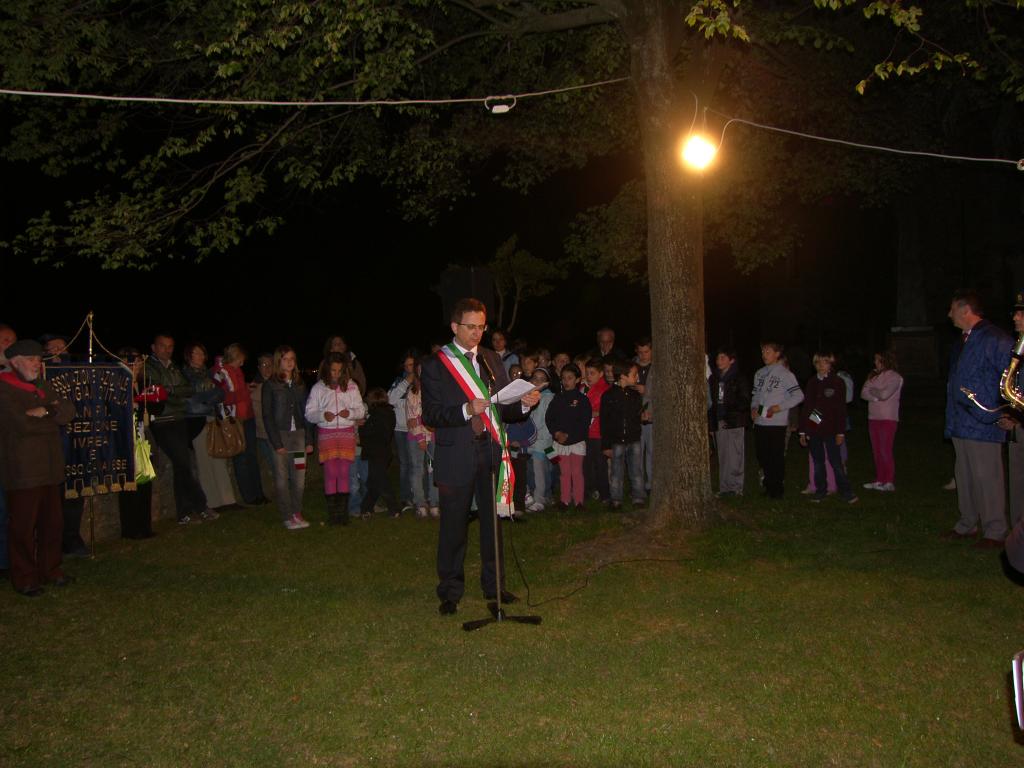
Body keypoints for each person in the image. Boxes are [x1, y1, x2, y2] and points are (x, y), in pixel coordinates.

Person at [421, 298, 540, 616]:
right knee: (453, 526)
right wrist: (465, 409)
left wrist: (524, 403)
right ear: (454, 326)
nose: (477, 333)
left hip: (489, 449)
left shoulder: (490, 358)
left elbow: (503, 406)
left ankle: (494, 586)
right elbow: (430, 414)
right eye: (470, 327)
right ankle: (450, 591)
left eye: (481, 327)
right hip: (456, 453)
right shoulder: (435, 364)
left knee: (492, 523)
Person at [0, 339, 76, 596]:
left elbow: (68, 412)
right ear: (15, 362)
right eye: (31, 359)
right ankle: (24, 577)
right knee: (23, 527)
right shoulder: (4, 389)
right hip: (24, 470)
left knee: (52, 524)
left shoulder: (43, 386)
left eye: (38, 359)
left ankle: (51, 569)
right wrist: (51, 412)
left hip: (50, 467)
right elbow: (20, 424)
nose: (37, 364)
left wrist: (43, 411)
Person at [943, 290, 1013, 548]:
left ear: (966, 310)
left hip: (983, 422)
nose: (949, 314)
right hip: (961, 421)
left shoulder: (994, 339)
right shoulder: (963, 340)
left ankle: (995, 530)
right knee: (965, 476)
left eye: (952, 309)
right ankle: (967, 523)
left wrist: (1009, 411)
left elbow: (1013, 375)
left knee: (987, 477)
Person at [145, 334, 216, 524]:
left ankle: (185, 512)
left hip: (178, 419)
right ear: (154, 347)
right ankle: (200, 506)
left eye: (170, 346)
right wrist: (174, 392)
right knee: (184, 464)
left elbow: (188, 389)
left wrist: (170, 391)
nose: (167, 350)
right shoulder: (149, 367)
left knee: (181, 465)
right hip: (162, 421)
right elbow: (158, 394)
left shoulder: (174, 367)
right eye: (162, 346)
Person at [305, 353, 365, 525]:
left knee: (344, 472)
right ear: (327, 370)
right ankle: (333, 514)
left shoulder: (351, 386)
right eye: (333, 370)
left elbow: (361, 410)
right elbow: (309, 413)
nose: (336, 374)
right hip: (327, 433)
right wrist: (323, 415)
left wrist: (350, 413)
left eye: (339, 370)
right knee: (331, 472)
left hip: (346, 433)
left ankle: (343, 514)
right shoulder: (318, 388)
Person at [262, 345, 314, 530]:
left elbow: (306, 413)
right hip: (281, 436)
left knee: (299, 477)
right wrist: (276, 443)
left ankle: (296, 512)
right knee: (282, 478)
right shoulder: (271, 385)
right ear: (279, 361)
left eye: (292, 358)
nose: (289, 362)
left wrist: (309, 439)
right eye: (285, 359)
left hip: (298, 437)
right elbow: (267, 415)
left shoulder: (299, 384)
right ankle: (286, 515)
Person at [181, 343, 236, 511]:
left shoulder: (208, 374)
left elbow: (221, 393)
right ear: (189, 356)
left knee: (218, 458)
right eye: (196, 353)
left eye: (202, 353)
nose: (200, 357)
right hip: (196, 420)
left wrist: (208, 396)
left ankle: (227, 500)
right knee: (204, 462)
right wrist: (210, 396)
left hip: (212, 418)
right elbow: (192, 399)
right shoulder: (185, 375)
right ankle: (212, 502)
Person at [798, 352, 858, 504]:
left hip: (831, 429)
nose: (821, 366)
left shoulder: (837, 382)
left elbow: (840, 409)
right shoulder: (812, 382)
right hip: (814, 429)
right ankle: (821, 491)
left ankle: (847, 492)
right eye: (818, 362)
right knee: (818, 462)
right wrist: (803, 430)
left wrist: (840, 432)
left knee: (836, 462)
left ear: (831, 364)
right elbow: (807, 407)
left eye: (825, 362)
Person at [215, 343, 267, 506]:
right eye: (241, 359)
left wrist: (245, 389)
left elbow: (239, 393)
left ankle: (259, 493)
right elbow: (226, 397)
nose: (243, 362)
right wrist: (245, 390)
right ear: (235, 356)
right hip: (236, 420)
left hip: (247, 417)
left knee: (252, 457)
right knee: (241, 459)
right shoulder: (224, 372)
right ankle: (249, 496)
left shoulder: (238, 371)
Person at [751, 342, 804, 499]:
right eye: (763, 352)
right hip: (760, 421)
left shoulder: (785, 374)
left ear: (777, 354)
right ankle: (768, 484)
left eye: (768, 352)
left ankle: (777, 489)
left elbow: (799, 396)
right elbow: (756, 395)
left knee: (776, 456)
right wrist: (753, 408)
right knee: (762, 455)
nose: (764, 355)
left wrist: (779, 407)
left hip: (776, 423)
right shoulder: (759, 373)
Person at [117, 347, 155, 540]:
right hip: (125, 437)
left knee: (145, 479)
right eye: (132, 361)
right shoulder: (117, 383)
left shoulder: (144, 382)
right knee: (129, 482)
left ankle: (145, 525)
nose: (137, 365)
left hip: (141, 435)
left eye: (139, 361)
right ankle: (130, 527)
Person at [600, 359, 646, 509]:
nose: (637, 377)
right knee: (616, 471)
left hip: (634, 439)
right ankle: (616, 500)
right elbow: (605, 422)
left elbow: (636, 416)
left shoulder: (634, 395)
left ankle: (638, 497)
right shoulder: (608, 396)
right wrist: (606, 445)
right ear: (623, 376)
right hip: (616, 440)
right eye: (634, 374)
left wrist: (643, 417)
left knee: (636, 470)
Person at [545, 363, 591, 510]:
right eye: (564, 378)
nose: (566, 381)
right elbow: (549, 418)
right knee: (564, 473)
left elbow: (584, 423)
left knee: (577, 472)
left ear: (577, 380)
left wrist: (569, 436)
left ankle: (579, 501)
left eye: (570, 378)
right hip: (560, 443)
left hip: (576, 442)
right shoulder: (558, 399)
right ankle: (564, 500)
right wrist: (557, 433)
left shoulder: (583, 400)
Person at [709, 347, 750, 497]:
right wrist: (712, 422)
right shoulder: (714, 379)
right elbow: (711, 402)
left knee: (735, 454)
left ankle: (736, 487)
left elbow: (744, 400)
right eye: (717, 358)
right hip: (718, 420)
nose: (719, 361)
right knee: (723, 455)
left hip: (733, 421)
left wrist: (729, 408)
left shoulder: (738, 378)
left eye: (723, 358)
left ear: (731, 360)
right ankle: (725, 487)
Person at [861, 350, 903, 492]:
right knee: (876, 450)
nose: (875, 362)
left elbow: (885, 394)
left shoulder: (895, 377)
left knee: (885, 450)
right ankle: (879, 479)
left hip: (888, 418)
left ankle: (889, 480)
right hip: (873, 417)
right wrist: (875, 396)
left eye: (877, 359)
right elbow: (863, 393)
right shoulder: (873, 376)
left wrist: (873, 391)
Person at [404, 358, 439, 518]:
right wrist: (420, 437)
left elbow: (436, 414)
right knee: (418, 469)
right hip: (416, 437)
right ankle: (420, 503)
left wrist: (421, 420)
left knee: (433, 468)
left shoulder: (436, 390)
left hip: (433, 435)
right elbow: (411, 417)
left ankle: (434, 502)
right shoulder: (412, 392)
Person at [358, 387, 401, 518]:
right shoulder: (389, 413)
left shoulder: (376, 415)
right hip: (384, 451)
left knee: (381, 482)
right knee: (374, 482)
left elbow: (369, 433)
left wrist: (361, 427)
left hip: (376, 452)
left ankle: (394, 509)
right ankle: (366, 508)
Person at [388, 352, 417, 512]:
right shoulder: (399, 381)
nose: (408, 368)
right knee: (405, 464)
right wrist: (406, 382)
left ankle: (420, 496)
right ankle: (406, 498)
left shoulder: (422, 381)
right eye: (406, 366)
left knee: (418, 464)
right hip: (401, 429)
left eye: (411, 365)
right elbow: (390, 399)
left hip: (418, 428)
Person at [582, 357, 611, 502]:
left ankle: (604, 493)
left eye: (592, 373)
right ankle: (590, 491)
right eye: (587, 373)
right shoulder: (586, 388)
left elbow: (605, 410)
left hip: (599, 433)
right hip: (588, 433)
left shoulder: (604, 389)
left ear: (601, 374)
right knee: (587, 464)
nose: (588, 376)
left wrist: (593, 412)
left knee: (600, 465)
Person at [527, 367, 555, 512]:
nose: (537, 382)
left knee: (540, 471)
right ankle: (534, 495)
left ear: (547, 382)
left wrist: (538, 437)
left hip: (543, 441)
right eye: (535, 378)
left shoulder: (549, 398)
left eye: (541, 379)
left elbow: (543, 421)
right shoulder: (528, 396)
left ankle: (540, 499)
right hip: (530, 441)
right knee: (532, 470)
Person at [634, 338, 654, 494]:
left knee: (652, 451)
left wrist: (646, 390)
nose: (643, 355)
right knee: (637, 453)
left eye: (646, 352)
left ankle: (651, 484)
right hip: (635, 417)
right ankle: (638, 485)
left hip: (653, 416)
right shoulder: (632, 367)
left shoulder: (658, 367)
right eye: (640, 352)